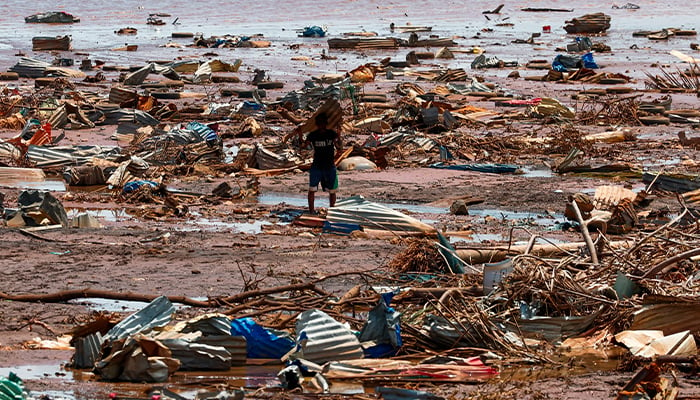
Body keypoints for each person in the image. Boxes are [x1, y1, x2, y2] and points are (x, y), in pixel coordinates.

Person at [302, 112, 342, 214]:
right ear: (317, 124)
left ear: (326, 123)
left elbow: (339, 147)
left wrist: (339, 135)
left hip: (329, 165)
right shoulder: (313, 135)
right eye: (319, 123)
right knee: (312, 189)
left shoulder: (331, 134)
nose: (321, 125)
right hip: (317, 165)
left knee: (332, 190)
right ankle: (311, 211)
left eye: (323, 123)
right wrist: (299, 134)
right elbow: (304, 146)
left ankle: (332, 211)